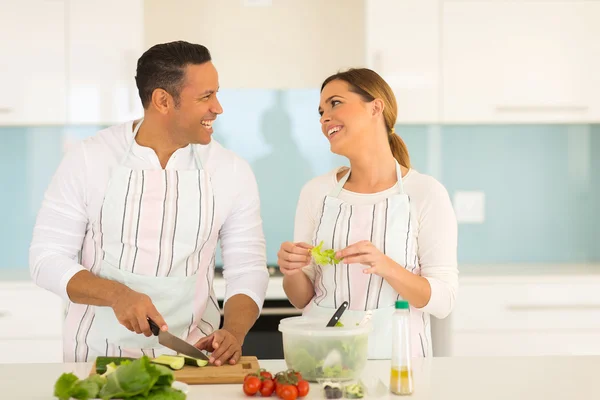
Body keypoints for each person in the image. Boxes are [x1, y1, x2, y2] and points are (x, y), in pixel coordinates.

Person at [29, 41, 269, 365]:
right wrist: (116, 295)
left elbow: (248, 269)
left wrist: (235, 333)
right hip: (98, 360)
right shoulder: (88, 159)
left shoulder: (231, 171)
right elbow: (46, 258)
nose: (218, 107)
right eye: (205, 97)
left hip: (194, 358)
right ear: (162, 101)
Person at [277, 68, 458, 359]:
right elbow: (302, 298)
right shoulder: (316, 192)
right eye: (321, 111)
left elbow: (444, 301)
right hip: (325, 357)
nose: (324, 118)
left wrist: (386, 266)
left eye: (335, 103)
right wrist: (292, 269)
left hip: (401, 365)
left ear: (376, 107)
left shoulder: (426, 193)